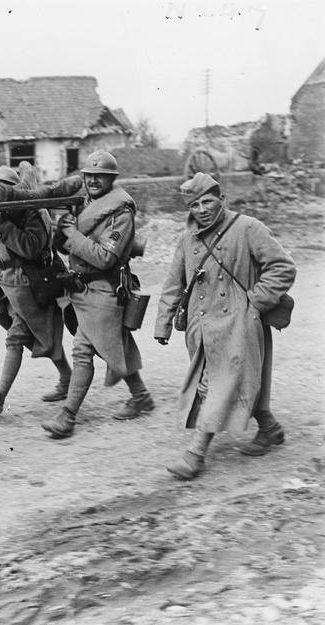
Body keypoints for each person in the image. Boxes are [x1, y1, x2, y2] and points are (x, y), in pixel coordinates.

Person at [155, 172, 296, 480]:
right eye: (195, 204)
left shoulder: (247, 228)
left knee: (215, 385)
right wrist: (163, 323)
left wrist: (255, 302)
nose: (202, 209)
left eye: (208, 201)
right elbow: (172, 282)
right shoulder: (187, 239)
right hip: (201, 327)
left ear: (222, 199)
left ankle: (195, 455)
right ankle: (270, 428)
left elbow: (283, 267)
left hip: (238, 325)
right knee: (235, 381)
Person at [41, 151, 153, 439]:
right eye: (88, 176)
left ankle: (67, 416)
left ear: (111, 179)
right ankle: (141, 396)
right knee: (113, 342)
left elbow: (104, 257)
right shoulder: (87, 206)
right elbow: (70, 249)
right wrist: (61, 233)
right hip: (83, 289)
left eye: (99, 176)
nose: (92, 181)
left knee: (83, 349)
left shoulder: (121, 212)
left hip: (105, 288)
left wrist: (73, 235)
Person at [0, 166, 77, 417]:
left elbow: (31, 248)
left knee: (17, 338)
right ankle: (67, 378)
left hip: (34, 286)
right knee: (40, 337)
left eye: (3, 189)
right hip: (10, 288)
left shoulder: (35, 212)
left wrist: (5, 227)